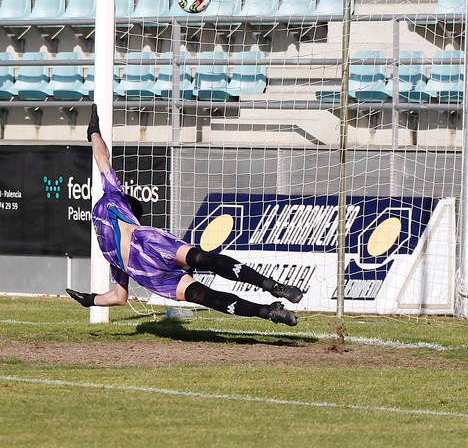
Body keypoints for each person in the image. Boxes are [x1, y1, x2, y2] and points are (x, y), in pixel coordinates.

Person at [65, 104, 303, 325]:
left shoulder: (110, 252)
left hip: (146, 272)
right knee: (204, 259)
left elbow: (119, 297)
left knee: (204, 296)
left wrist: (90, 300)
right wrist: (95, 133)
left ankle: (268, 312)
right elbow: (102, 156)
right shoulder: (116, 198)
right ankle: (273, 286)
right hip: (151, 243)